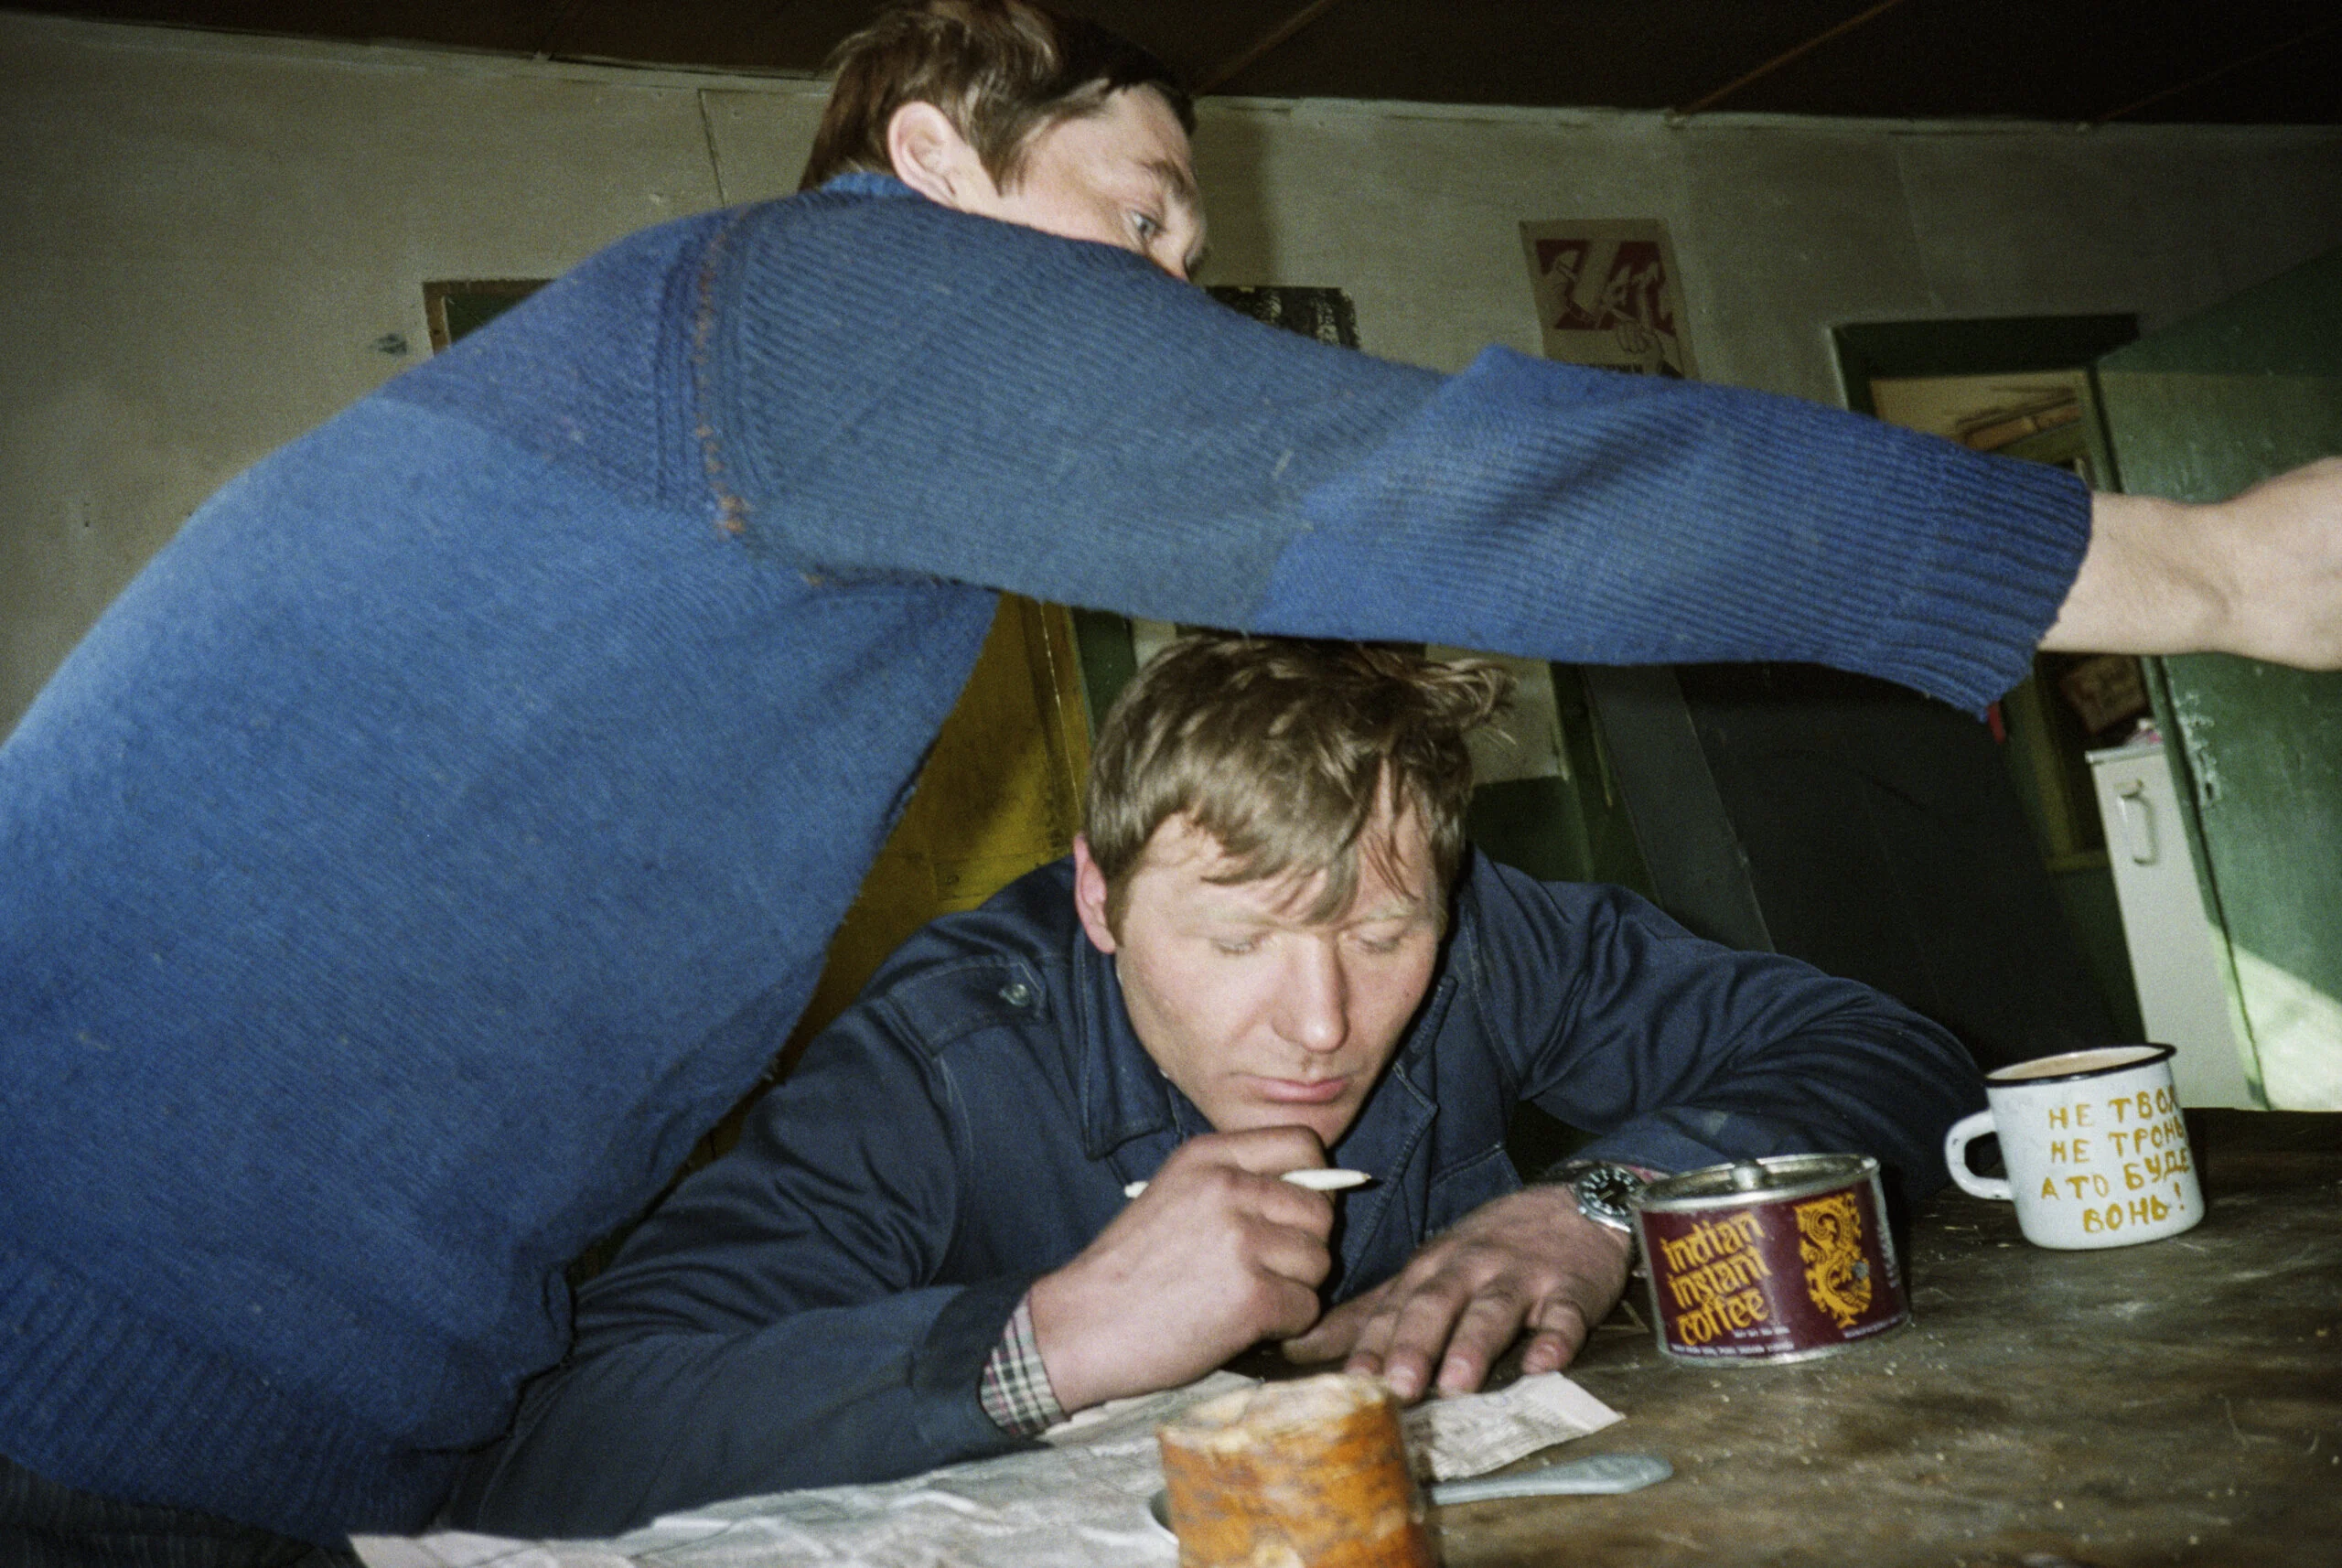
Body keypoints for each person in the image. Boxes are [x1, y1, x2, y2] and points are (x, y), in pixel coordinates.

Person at [1, 0, 2336, 1557]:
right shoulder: (811, 301)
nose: (1173, 294)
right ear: (924, 162)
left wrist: (1593, 1201)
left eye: (1190, 242)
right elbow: (1444, 484)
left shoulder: (812, 518)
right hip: (89, 1339)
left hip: (270, 1400)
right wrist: (2207, 570)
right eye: (1133, 219)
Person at [443, 634, 1984, 1535]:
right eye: (1239, 936)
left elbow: (1897, 1055)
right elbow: (560, 1440)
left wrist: (1594, 1203)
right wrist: (1048, 1341)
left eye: (1382, 932)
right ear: (1102, 902)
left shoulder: (1486, 938)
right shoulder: (943, 1056)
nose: (1321, 1019)